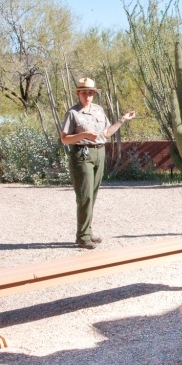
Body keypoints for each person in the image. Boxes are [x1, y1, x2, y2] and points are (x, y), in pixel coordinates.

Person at [60, 77, 136, 249]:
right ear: (78, 93)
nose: (87, 96)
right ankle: (82, 237)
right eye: (84, 93)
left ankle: (87, 231)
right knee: (84, 196)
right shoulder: (73, 113)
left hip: (99, 152)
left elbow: (106, 133)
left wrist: (122, 120)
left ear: (94, 94)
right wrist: (84, 135)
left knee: (92, 195)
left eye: (90, 93)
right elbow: (64, 139)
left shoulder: (99, 110)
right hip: (81, 154)